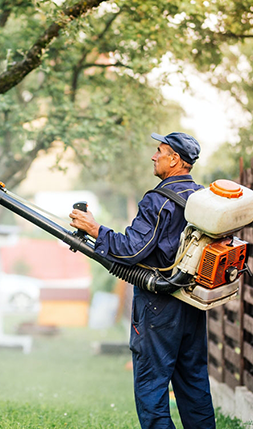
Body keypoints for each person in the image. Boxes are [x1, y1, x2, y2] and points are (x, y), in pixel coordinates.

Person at [69, 132, 215, 429]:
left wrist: (95, 229)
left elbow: (132, 250)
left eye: (159, 151)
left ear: (175, 159)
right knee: (194, 384)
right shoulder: (202, 199)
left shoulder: (158, 199)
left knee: (152, 388)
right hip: (192, 302)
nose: (154, 156)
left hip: (159, 306)